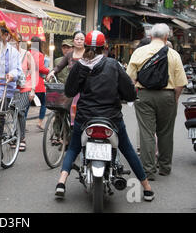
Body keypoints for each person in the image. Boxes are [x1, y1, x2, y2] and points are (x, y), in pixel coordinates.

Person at [54, 30, 154, 201]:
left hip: (85, 117)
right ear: (104, 48)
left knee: (74, 148)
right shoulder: (113, 65)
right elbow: (129, 93)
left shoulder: (79, 66)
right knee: (128, 149)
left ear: (85, 46)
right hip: (111, 118)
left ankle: (61, 182)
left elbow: (69, 91)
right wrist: (128, 95)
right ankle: (147, 188)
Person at [127, 23, 187, 180]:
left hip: (144, 95)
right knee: (166, 133)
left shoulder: (139, 52)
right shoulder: (173, 54)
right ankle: (165, 167)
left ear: (150, 36)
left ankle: (148, 170)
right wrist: (174, 99)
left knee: (147, 132)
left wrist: (133, 96)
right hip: (167, 96)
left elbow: (130, 79)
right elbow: (180, 83)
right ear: (167, 37)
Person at [47, 31, 86, 124]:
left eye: (82, 39)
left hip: (86, 87)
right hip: (72, 86)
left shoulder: (89, 54)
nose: (79, 41)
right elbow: (59, 66)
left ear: (85, 41)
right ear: (73, 41)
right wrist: (52, 72)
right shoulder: (70, 55)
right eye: (77, 39)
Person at [10, 34, 37, 151]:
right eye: (10, 41)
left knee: (20, 110)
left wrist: (33, 89)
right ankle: (16, 135)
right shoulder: (8, 56)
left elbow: (34, 72)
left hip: (26, 87)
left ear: (19, 42)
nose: (12, 43)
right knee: (13, 111)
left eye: (15, 41)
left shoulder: (27, 54)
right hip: (13, 89)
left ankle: (22, 138)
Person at [26, 36, 49, 131]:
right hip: (37, 83)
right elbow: (41, 68)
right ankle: (39, 123)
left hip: (27, 82)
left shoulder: (27, 53)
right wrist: (49, 71)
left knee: (26, 105)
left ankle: (23, 125)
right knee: (44, 102)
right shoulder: (39, 54)